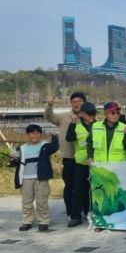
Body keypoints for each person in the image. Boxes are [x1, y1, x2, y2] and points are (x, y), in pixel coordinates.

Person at [45, 92, 85, 220]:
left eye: (79, 101)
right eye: (74, 102)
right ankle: (70, 212)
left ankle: (85, 210)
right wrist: (49, 106)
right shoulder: (63, 117)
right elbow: (50, 117)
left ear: (84, 102)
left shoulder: (88, 117)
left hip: (85, 159)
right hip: (69, 157)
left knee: (84, 185)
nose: (76, 104)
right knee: (69, 186)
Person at [11, 125, 59, 232]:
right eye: (32, 133)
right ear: (27, 135)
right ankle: (27, 221)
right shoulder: (22, 148)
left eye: (37, 133)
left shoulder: (44, 146)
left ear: (41, 135)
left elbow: (54, 148)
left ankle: (43, 222)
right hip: (25, 179)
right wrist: (13, 161)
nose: (35, 135)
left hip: (40, 179)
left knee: (42, 201)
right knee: (26, 202)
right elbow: (16, 163)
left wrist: (54, 137)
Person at [65, 101, 97, 227]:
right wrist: (72, 123)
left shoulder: (99, 126)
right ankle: (75, 217)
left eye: (93, 113)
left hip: (96, 164)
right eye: (89, 114)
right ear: (82, 114)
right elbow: (69, 138)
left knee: (97, 191)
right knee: (78, 191)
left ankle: (97, 214)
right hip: (81, 164)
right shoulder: (77, 126)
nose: (92, 116)